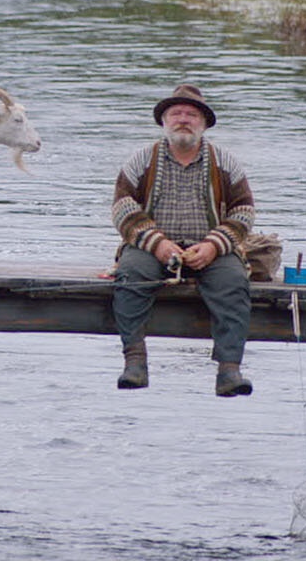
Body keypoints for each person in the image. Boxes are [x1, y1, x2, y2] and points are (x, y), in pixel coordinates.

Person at [110, 84, 257, 396]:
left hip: (211, 248)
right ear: (164, 121)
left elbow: (244, 211)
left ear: (203, 124)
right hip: (152, 247)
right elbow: (122, 209)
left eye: (192, 114)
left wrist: (214, 245)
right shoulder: (140, 160)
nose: (183, 119)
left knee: (234, 282)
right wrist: (158, 245)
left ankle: (229, 369)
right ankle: (134, 362)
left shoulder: (226, 162)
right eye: (176, 113)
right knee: (131, 275)